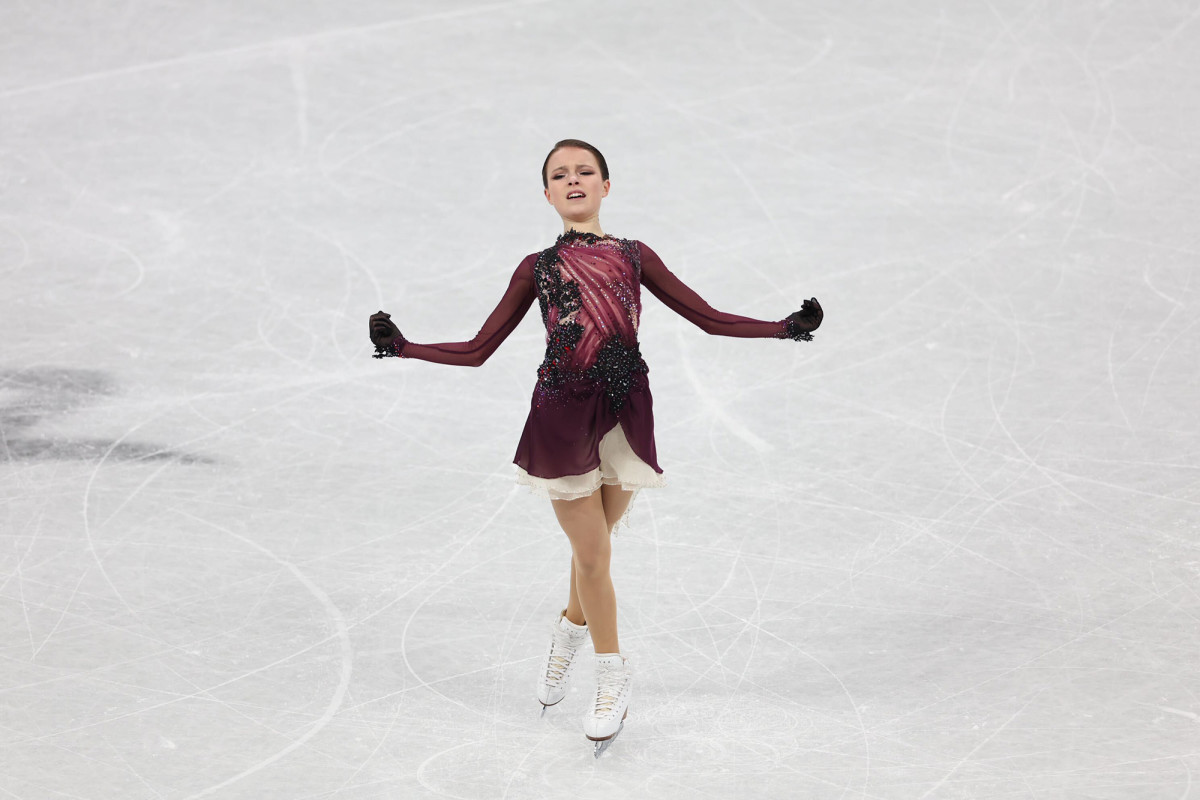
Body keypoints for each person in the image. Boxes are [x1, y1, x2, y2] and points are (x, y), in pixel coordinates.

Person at [369, 139, 821, 756]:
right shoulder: (536, 267)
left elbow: (709, 318)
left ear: (606, 185)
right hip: (561, 418)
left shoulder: (635, 256)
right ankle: (612, 675)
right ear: (547, 194)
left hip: (625, 411)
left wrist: (785, 328)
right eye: (560, 175)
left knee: (594, 551)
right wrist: (403, 347)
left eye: (585, 171)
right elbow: (478, 350)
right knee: (593, 553)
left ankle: (568, 630)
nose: (573, 180)